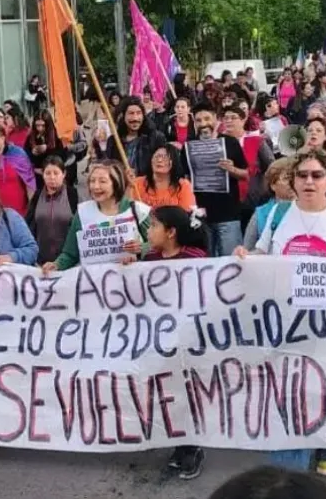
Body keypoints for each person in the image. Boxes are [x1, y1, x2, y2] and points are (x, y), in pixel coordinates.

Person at [235, 149, 326, 476]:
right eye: (303, 175)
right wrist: (246, 256)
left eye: (317, 175)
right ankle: (290, 463)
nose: (309, 181)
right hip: (288, 323)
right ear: (293, 180)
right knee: (290, 389)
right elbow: (263, 254)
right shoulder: (279, 215)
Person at [143, 206, 209, 479]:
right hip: (160, 341)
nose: (148, 231)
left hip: (189, 341)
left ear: (170, 233)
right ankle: (177, 444)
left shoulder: (196, 258)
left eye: (154, 225)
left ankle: (192, 447)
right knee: (168, 394)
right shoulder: (147, 259)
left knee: (188, 394)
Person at [41, 161, 149, 273]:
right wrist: (56, 265)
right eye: (92, 181)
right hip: (95, 285)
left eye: (102, 181)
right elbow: (70, 254)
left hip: (131, 283)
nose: (96, 186)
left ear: (116, 183)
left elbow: (161, 245)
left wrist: (142, 248)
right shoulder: (82, 213)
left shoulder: (138, 211)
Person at [183, 103, 249, 257]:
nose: (203, 123)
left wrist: (232, 170)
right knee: (205, 263)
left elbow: (245, 174)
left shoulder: (230, 142)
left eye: (207, 118)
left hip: (228, 214)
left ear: (216, 119)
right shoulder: (188, 146)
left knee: (232, 262)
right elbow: (186, 179)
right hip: (200, 217)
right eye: (198, 120)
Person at [26, 155, 79, 264]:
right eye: (48, 173)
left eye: (56, 173)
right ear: (43, 175)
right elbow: (29, 224)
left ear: (63, 174)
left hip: (67, 262)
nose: (52, 177)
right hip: (40, 260)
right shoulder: (37, 196)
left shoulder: (73, 195)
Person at [102, 96, 166, 177]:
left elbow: (163, 168)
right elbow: (108, 168)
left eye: (138, 113)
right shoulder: (113, 141)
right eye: (131, 113)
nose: (135, 118)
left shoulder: (156, 138)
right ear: (123, 116)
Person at [0, 123, 36, 215]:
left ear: (2, 138)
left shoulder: (18, 154)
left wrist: (31, 214)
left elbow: (30, 185)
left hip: (18, 214)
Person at [242, 158, 295, 250]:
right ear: (273, 185)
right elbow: (247, 250)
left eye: (294, 177)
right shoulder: (260, 214)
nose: (292, 182)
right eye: (286, 178)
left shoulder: (306, 209)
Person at [132, 144, 196, 210]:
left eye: (165, 157)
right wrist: (129, 186)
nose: (159, 160)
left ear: (174, 162)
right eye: (157, 156)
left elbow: (186, 215)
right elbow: (125, 210)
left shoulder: (183, 186)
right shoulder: (137, 183)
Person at [25, 111, 67, 187]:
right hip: (38, 175)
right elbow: (25, 154)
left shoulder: (55, 135)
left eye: (43, 126)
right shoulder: (31, 137)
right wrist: (32, 153)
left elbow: (63, 155)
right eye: (37, 125)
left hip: (53, 174)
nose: (40, 129)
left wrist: (47, 149)